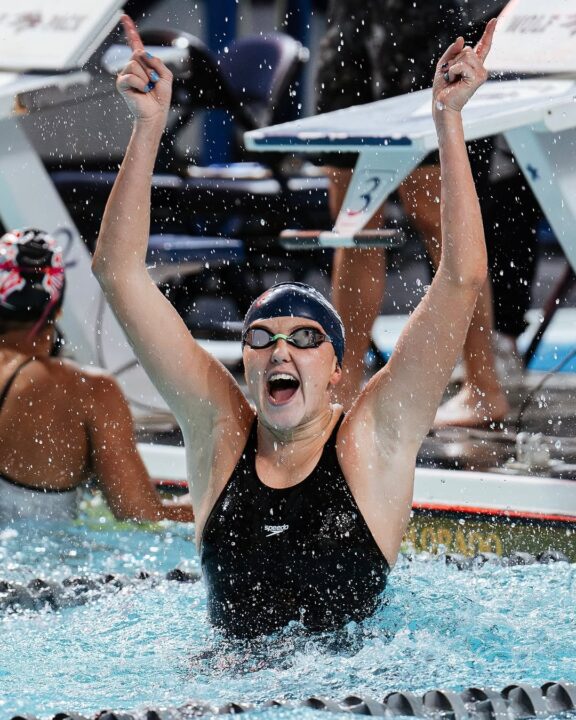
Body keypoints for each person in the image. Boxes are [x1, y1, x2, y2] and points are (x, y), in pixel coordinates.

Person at [93, 15, 496, 636]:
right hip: (220, 689)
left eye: (305, 338)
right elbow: (119, 273)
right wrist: (147, 128)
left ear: (338, 371)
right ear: (247, 363)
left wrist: (449, 121)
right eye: (262, 337)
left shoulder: (371, 441)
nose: (280, 349)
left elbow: (460, 280)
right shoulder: (218, 435)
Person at [315, 0, 510, 427]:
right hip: (351, 19)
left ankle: (482, 386)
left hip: (423, 16)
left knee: (434, 213)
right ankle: (342, 390)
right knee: (354, 220)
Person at [0, 228, 194, 524]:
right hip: (48, 566)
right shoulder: (87, 391)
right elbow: (141, 516)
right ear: (58, 308)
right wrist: (211, 507)